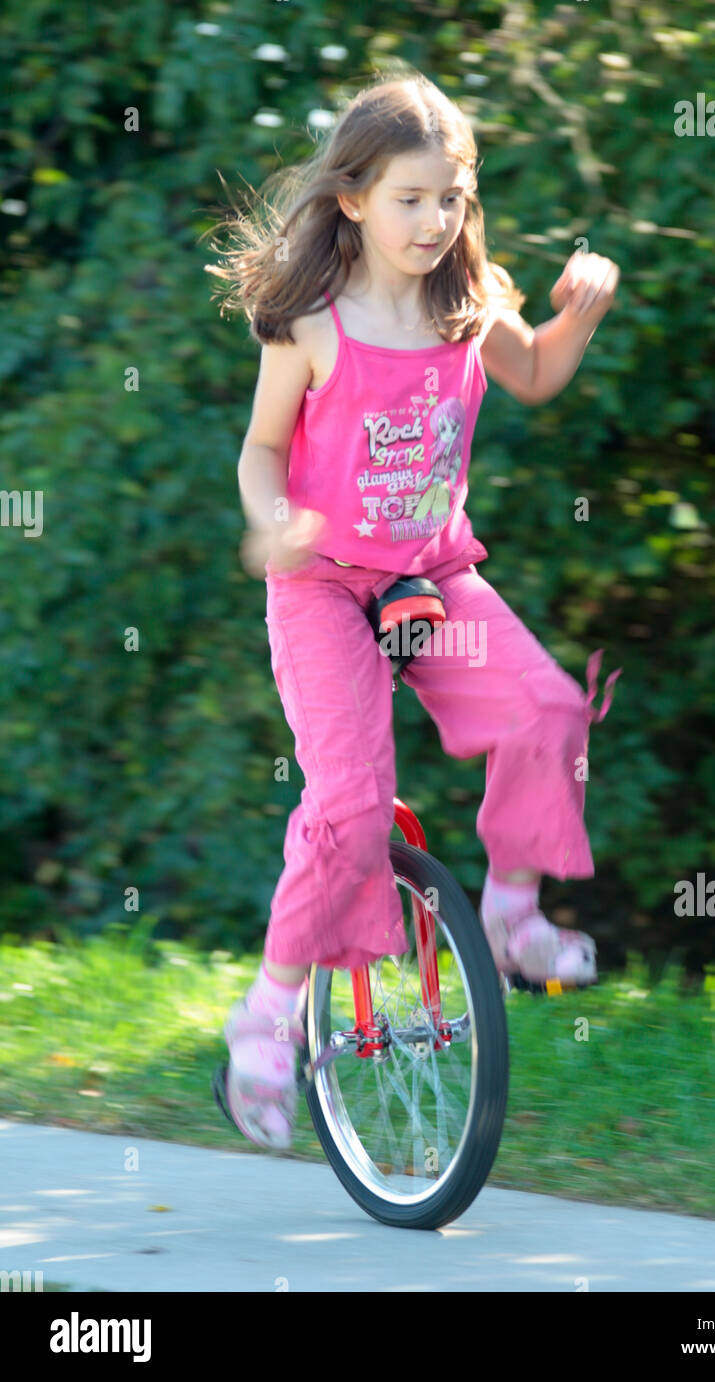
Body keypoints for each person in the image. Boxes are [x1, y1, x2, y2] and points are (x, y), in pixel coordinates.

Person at [204, 71, 621, 1151]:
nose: (436, 220)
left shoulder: (465, 299)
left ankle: (511, 913)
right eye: (410, 198)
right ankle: (264, 1019)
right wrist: (272, 520)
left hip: (429, 577)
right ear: (351, 199)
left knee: (546, 713)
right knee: (349, 802)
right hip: (322, 586)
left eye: (454, 195)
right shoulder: (310, 321)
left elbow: (529, 374)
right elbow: (259, 450)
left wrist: (576, 315)